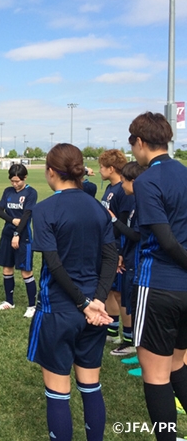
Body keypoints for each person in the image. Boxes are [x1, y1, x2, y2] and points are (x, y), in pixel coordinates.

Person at [27, 143, 118, 441]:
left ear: (51, 171)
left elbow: (53, 264)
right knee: (91, 386)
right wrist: (98, 300)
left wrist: (83, 302)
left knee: (58, 392)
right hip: (95, 313)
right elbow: (110, 257)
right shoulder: (99, 208)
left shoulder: (44, 209)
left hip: (60, 311)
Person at [128, 112, 187, 441]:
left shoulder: (148, 180)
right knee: (177, 364)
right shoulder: (185, 173)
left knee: (156, 375)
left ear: (140, 142)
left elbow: (165, 240)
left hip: (160, 285)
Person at [106, 161, 146, 357]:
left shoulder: (143, 205)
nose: (121, 186)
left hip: (139, 261)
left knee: (136, 304)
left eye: (124, 182)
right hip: (129, 258)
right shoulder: (135, 203)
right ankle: (134, 347)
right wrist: (122, 254)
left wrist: (113, 220)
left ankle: (137, 348)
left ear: (134, 181)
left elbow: (136, 235)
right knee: (129, 300)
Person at [98, 149, 134, 349]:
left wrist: (120, 251)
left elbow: (124, 223)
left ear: (111, 169)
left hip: (118, 248)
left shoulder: (124, 190)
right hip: (108, 246)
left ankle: (128, 339)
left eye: (102, 167)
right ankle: (112, 330)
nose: (99, 170)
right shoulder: (110, 188)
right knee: (110, 290)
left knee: (121, 294)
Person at [0, 164, 38, 318]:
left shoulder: (31, 193)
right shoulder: (8, 191)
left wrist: (17, 234)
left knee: (26, 271)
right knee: (7, 268)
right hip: (7, 234)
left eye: (17, 181)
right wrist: (12, 220)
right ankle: (9, 301)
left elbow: (27, 215)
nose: (15, 184)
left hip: (23, 235)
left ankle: (32, 306)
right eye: (12, 181)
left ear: (25, 178)